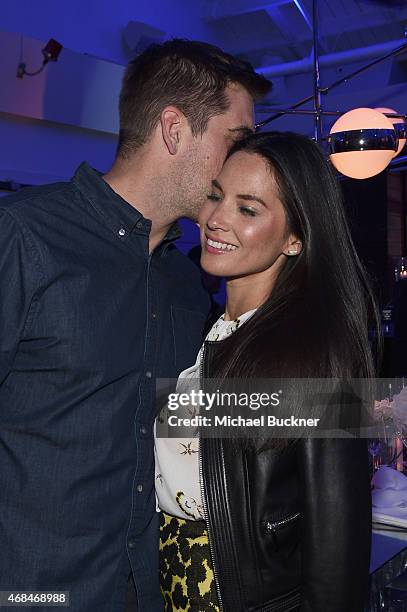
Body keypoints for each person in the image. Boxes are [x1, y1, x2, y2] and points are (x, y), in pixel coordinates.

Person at [0, 40, 270, 611]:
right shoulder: (23, 238)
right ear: (175, 131)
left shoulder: (182, 281)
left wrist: (368, 413)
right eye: (236, 142)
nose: (245, 163)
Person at [155, 131, 378, 611]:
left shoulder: (317, 359)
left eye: (248, 209)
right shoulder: (206, 336)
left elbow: (337, 571)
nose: (215, 219)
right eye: (216, 196)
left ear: (295, 238)